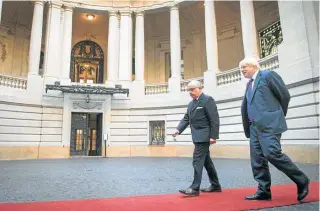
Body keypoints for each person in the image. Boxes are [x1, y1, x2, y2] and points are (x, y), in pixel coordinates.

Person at [239, 57, 309, 201]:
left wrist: (276, 116)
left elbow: (284, 96)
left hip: (269, 124)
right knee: (257, 160)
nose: (242, 70)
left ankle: (302, 180)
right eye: (241, 68)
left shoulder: (268, 76)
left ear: (253, 65)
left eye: (244, 67)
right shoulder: (249, 84)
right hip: (254, 127)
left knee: (272, 153)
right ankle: (263, 190)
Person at [173, 80, 221, 196]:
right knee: (206, 161)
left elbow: (214, 119)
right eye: (189, 89)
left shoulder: (208, 100)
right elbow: (186, 119)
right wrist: (178, 129)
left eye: (193, 89)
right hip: (197, 136)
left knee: (197, 160)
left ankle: (195, 188)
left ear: (200, 88)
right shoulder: (191, 104)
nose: (190, 92)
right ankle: (215, 185)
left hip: (204, 136)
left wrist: (213, 136)